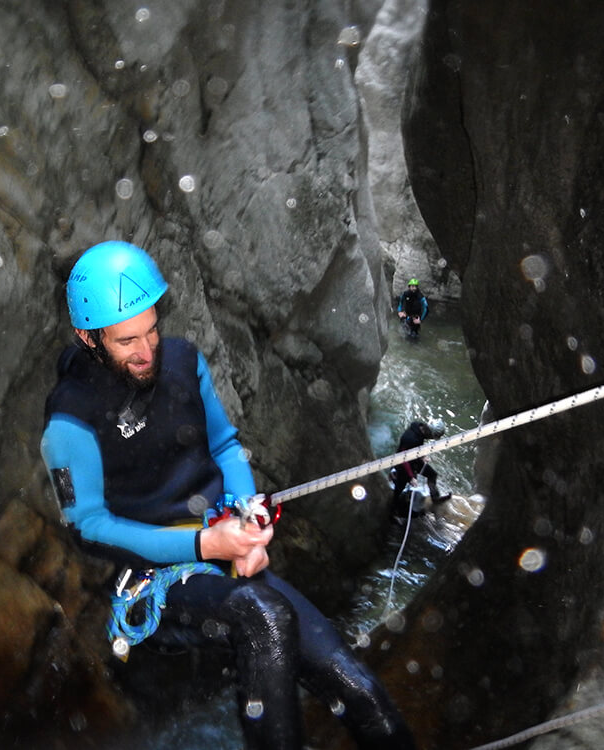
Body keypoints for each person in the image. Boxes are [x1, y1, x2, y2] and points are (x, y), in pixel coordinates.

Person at [41, 241, 416, 750]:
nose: (147, 351)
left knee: (367, 698)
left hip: (224, 547)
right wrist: (203, 547)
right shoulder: (71, 418)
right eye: (128, 340)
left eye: (152, 329)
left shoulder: (183, 363)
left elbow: (224, 443)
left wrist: (246, 511)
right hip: (154, 577)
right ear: (89, 337)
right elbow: (88, 525)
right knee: (264, 617)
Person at [390, 419, 451, 519]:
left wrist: (422, 456)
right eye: (432, 436)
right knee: (399, 489)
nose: (431, 438)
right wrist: (410, 477)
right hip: (403, 465)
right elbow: (403, 459)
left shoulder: (419, 428)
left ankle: (435, 498)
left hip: (414, 460)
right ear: (429, 431)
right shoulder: (410, 438)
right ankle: (393, 513)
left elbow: (416, 447)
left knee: (432, 474)